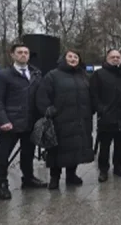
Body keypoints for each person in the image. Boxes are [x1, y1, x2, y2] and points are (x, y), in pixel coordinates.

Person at [0, 43, 47, 200]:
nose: (23, 55)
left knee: (28, 153)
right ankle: (1, 183)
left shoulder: (36, 73)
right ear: (12, 55)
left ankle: (28, 178)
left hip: (31, 121)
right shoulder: (3, 75)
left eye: (26, 52)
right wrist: (3, 121)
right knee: (4, 155)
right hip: (11, 123)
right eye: (20, 52)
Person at [36, 49, 94, 189]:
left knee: (75, 148)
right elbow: (43, 95)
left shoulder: (83, 75)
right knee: (57, 150)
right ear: (63, 58)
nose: (73, 59)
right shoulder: (53, 75)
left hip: (80, 119)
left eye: (76, 57)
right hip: (60, 120)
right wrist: (49, 110)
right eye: (70, 56)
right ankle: (54, 177)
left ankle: (71, 174)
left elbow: (91, 95)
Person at [89, 49, 121, 182]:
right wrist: (101, 109)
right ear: (107, 58)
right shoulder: (99, 74)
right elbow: (93, 94)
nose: (115, 59)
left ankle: (118, 167)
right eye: (112, 57)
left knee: (120, 144)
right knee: (105, 145)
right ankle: (103, 170)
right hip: (106, 115)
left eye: (118, 57)